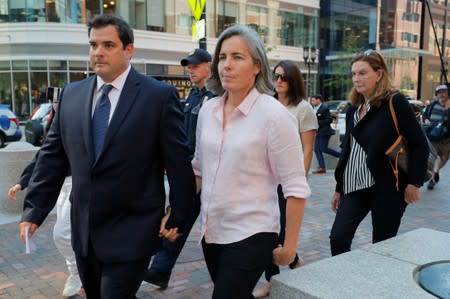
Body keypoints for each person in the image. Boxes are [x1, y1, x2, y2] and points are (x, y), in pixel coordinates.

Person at [19, 15, 195, 299]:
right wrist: (35, 210)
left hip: (133, 229)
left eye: (108, 45)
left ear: (128, 50)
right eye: (93, 45)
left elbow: (177, 161)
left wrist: (178, 216)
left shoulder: (158, 97)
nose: (98, 52)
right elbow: (52, 156)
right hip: (85, 232)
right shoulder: (71, 96)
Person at [192, 24, 311, 299]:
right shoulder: (207, 110)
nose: (226, 65)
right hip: (211, 232)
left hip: (253, 232)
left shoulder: (274, 115)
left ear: (257, 66)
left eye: (237, 57)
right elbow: (199, 168)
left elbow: (295, 186)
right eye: (222, 57)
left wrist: (289, 247)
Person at [330, 49, 429, 256]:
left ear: (379, 74)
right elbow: (347, 151)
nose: (357, 78)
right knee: (338, 238)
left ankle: (378, 286)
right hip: (354, 185)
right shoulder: (353, 109)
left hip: (387, 188)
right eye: (354, 73)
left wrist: (414, 183)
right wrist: (339, 187)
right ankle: (341, 282)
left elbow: (420, 144)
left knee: (382, 247)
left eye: (363, 73)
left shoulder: (395, 102)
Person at [144, 48, 215, 289]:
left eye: (195, 66)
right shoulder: (193, 97)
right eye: (189, 66)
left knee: (209, 227)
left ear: (209, 66)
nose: (190, 70)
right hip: (187, 170)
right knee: (178, 216)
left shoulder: (216, 98)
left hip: (208, 174)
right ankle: (161, 270)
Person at [253, 59, 317, 298]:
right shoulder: (267, 104)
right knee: (268, 229)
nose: (278, 81)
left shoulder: (303, 109)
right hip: (266, 179)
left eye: (284, 77)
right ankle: (289, 265)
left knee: (277, 231)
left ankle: (274, 277)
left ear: (293, 80)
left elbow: (308, 147)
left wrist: (299, 179)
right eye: (276, 76)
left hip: (287, 180)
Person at [8, 100, 83, 298]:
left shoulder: (83, 117)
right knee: (64, 233)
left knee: (64, 232)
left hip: (84, 183)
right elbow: (46, 155)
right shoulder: (57, 121)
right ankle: (77, 271)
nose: (56, 104)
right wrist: (23, 182)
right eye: (54, 102)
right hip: (64, 185)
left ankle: (80, 271)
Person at [422, 84, 450, 190]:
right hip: (433, 136)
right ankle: (432, 179)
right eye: (440, 92)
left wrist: (447, 110)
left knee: (444, 158)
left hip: (446, 139)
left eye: (444, 92)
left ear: (448, 93)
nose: (442, 94)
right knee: (431, 158)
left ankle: (436, 172)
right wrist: (426, 120)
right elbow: (424, 115)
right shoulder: (432, 105)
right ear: (437, 94)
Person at [311, 94, 341, 174]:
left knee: (323, 148)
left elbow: (329, 119)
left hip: (325, 131)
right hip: (318, 131)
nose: (312, 102)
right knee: (317, 149)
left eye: (313, 100)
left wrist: (317, 122)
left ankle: (341, 156)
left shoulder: (324, 108)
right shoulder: (314, 108)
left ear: (318, 100)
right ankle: (322, 167)